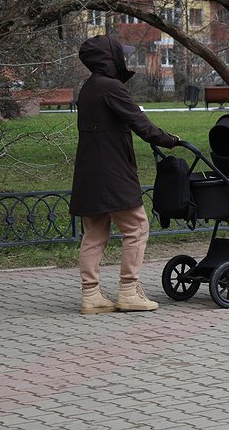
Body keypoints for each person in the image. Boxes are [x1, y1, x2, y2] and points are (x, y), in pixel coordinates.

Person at [70, 35, 180, 314]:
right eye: (122, 54)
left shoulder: (88, 88)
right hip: (113, 171)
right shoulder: (111, 88)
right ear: (110, 58)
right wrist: (170, 140)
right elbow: (141, 124)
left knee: (93, 235)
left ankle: (91, 295)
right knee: (137, 227)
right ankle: (129, 291)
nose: (126, 59)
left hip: (89, 170)